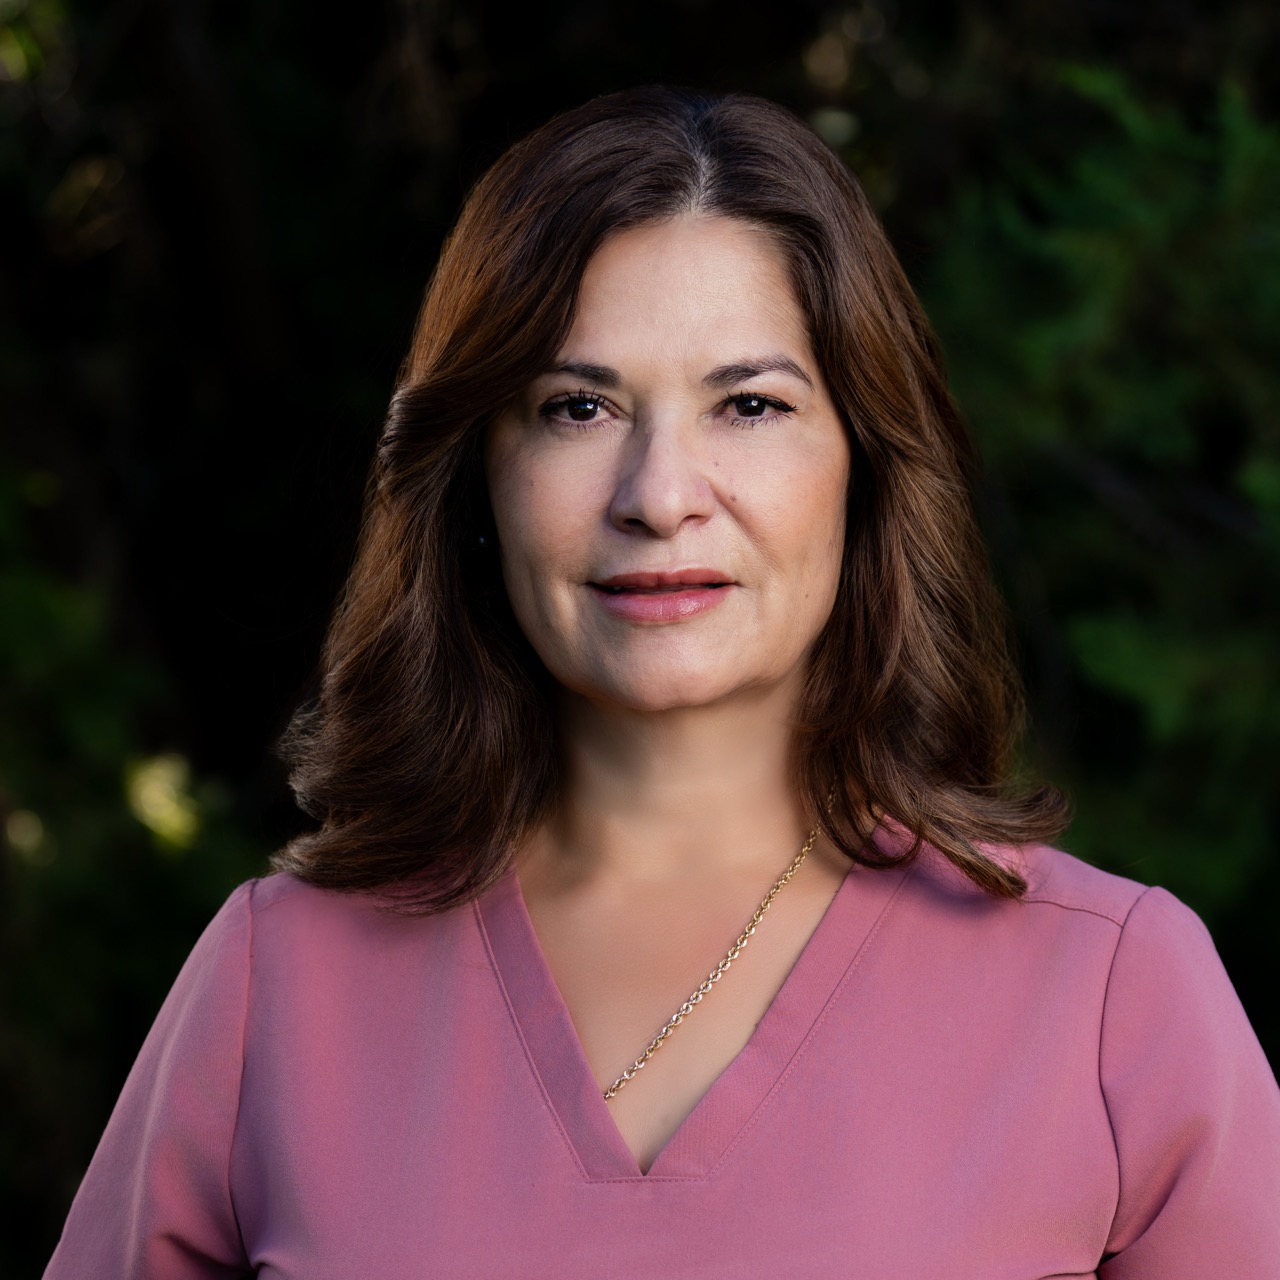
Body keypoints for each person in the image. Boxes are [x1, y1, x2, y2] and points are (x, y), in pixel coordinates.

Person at [45, 87, 1280, 1279]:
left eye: (748, 403)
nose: (657, 493)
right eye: (577, 406)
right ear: (475, 472)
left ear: (866, 466)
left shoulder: (1114, 992)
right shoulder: (277, 984)